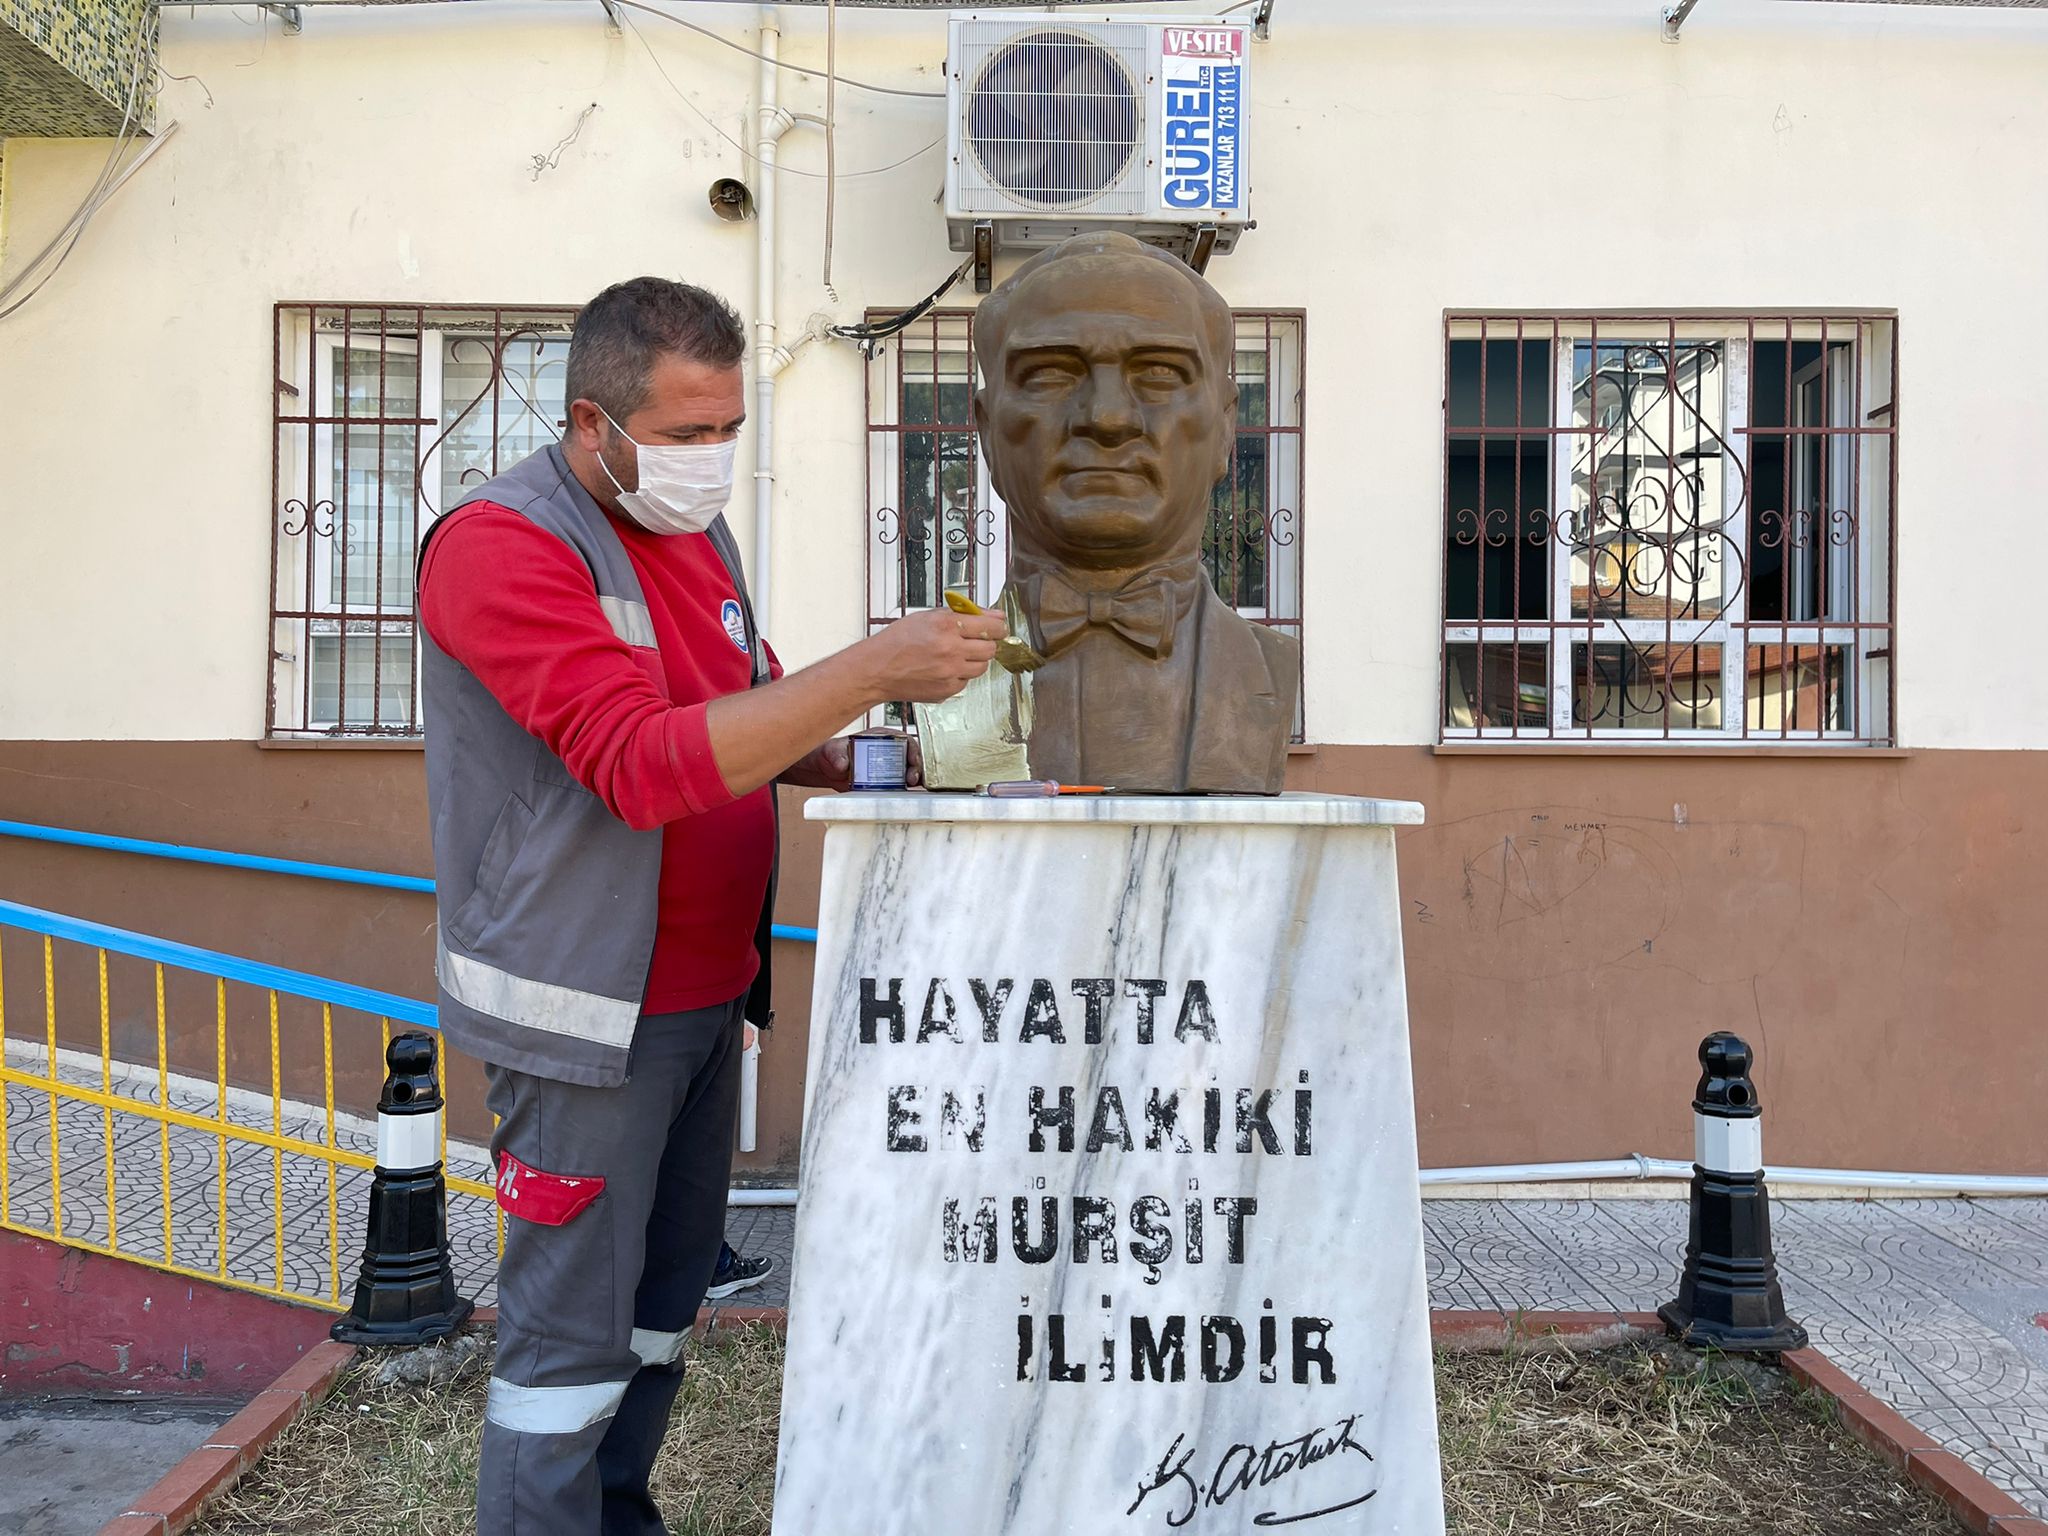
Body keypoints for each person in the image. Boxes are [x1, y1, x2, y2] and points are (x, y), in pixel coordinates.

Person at [416, 276, 1005, 1535]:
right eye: (687, 435)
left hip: (701, 1004)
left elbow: (748, 695)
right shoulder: (500, 547)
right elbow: (636, 763)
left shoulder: (693, 534)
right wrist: (870, 668)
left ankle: (617, 1515)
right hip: (585, 1019)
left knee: (658, 1313)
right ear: (593, 424)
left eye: (729, 429)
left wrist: (853, 748)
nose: (712, 460)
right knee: (565, 1346)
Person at [972, 230, 1299, 793]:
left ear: (1225, 426)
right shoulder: (944, 678)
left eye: (1160, 373)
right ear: (985, 429)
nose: (1107, 417)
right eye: (1050, 373)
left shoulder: (1269, 667)